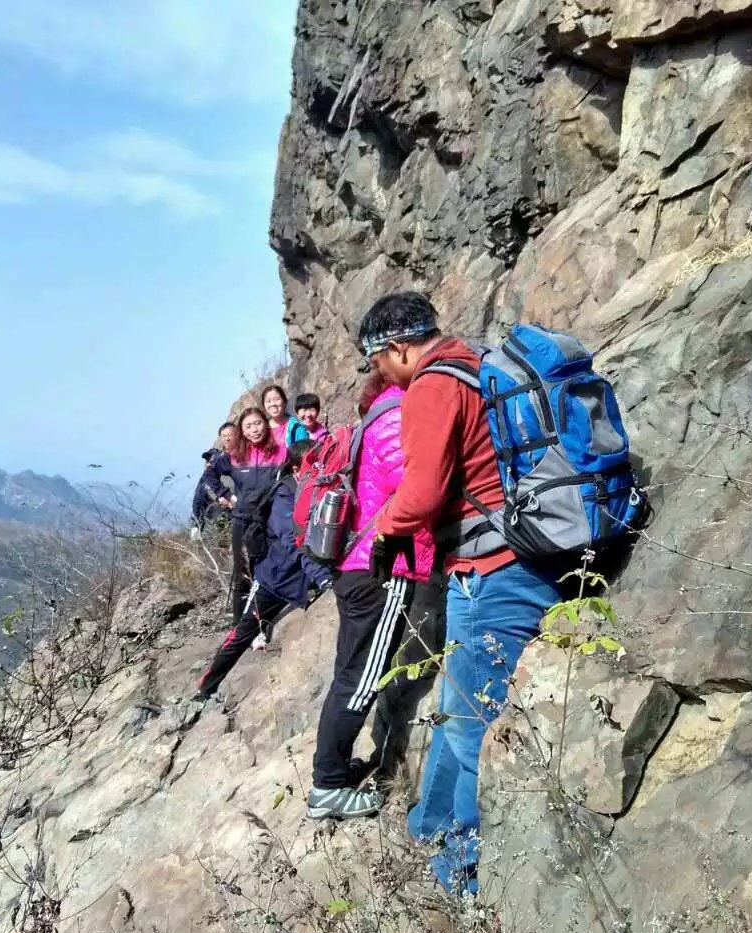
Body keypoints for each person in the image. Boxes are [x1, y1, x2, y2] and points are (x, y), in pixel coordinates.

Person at [362, 291, 568, 896]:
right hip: (512, 557)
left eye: (377, 361)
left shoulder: (430, 386)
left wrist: (385, 527)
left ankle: (464, 880)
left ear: (396, 348)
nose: (380, 375)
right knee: (457, 706)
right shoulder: (475, 364)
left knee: (471, 721)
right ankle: (430, 827)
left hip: (491, 573)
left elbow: (423, 493)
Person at [307, 373, 439, 821]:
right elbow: (419, 491)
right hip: (382, 567)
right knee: (360, 681)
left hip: (360, 563)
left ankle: (335, 773)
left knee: (349, 675)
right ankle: (327, 787)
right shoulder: (395, 416)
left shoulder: (378, 416)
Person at [195, 440, 329, 699]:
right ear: (295, 468)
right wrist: (322, 576)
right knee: (243, 634)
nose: (320, 469)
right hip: (275, 581)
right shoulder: (285, 495)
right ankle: (205, 688)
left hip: (300, 577)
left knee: (251, 631)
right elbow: (293, 542)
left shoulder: (318, 489)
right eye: (313, 464)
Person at [221, 407, 286, 623]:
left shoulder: (280, 450)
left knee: (266, 570)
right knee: (243, 574)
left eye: (257, 423)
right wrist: (226, 495)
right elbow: (210, 474)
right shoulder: (235, 455)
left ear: (265, 424)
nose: (254, 429)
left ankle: (262, 621)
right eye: (248, 426)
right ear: (242, 430)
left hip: (269, 521)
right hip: (242, 522)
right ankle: (239, 624)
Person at [192, 423, 239, 535]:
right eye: (224, 436)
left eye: (230, 435)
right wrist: (221, 498)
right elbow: (205, 490)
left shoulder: (235, 459)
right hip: (222, 507)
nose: (227, 439)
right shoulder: (213, 469)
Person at [262, 384, 309, 449]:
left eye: (276, 399)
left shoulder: (296, 427)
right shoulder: (261, 429)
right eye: (268, 401)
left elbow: (304, 452)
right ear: (264, 406)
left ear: (284, 401)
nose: (273, 404)